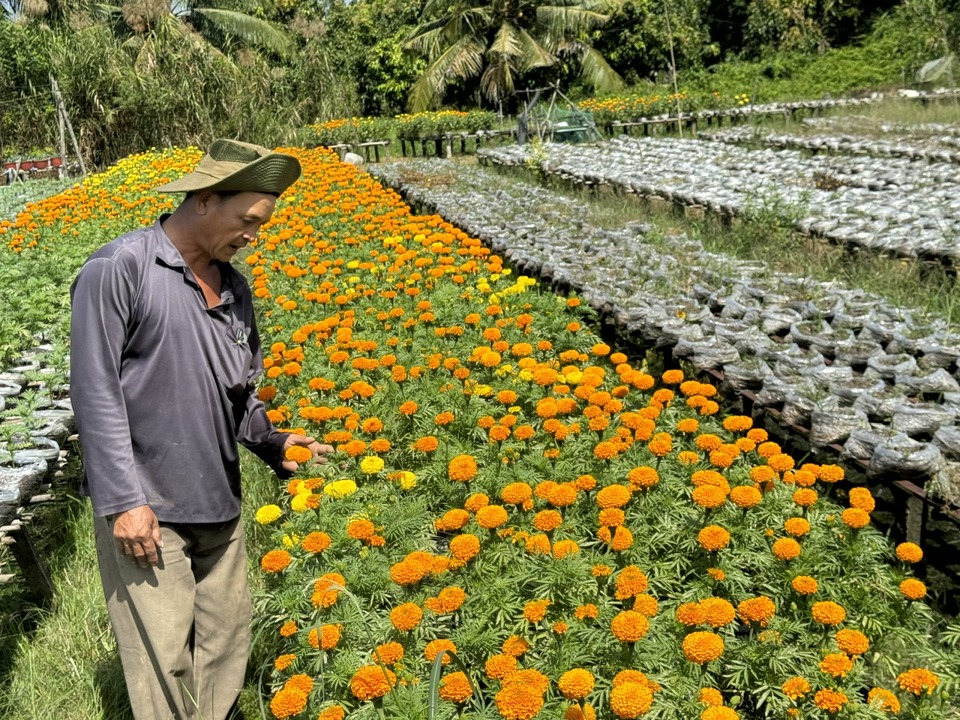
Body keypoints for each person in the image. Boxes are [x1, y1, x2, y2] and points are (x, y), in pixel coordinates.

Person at [69, 139, 331, 720]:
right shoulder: (120, 269)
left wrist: (273, 440)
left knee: (225, 650)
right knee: (163, 664)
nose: (252, 236)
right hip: (150, 511)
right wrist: (123, 502)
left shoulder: (234, 290)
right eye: (247, 221)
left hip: (221, 506)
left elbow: (239, 391)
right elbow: (95, 393)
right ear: (206, 200)